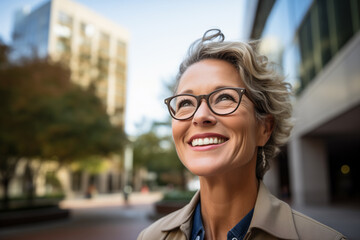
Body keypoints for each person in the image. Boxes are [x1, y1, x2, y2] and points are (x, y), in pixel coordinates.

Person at [137, 29, 346, 240]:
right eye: (185, 103)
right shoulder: (150, 237)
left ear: (264, 128)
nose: (200, 116)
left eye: (224, 97)